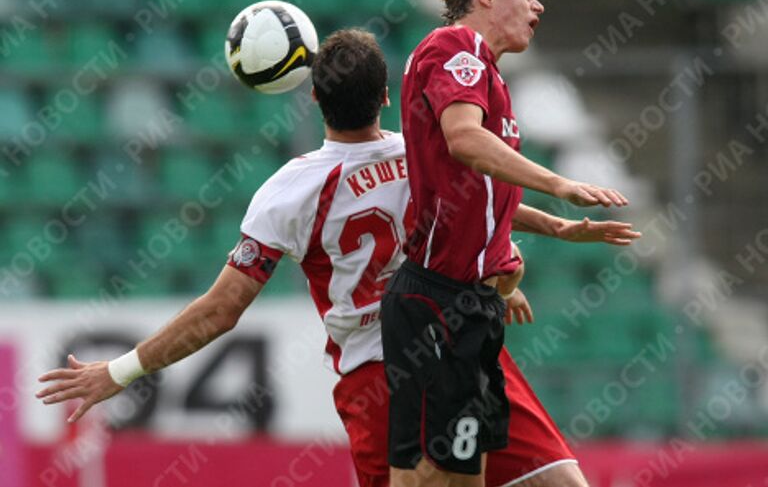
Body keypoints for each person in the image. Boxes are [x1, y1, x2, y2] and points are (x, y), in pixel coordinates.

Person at [36, 29, 640, 487]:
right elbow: (484, 201)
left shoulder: (288, 191)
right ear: (385, 95)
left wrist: (118, 372)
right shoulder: (420, 156)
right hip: (455, 341)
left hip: (378, 378)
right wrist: (557, 229)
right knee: (558, 480)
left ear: (315, 99)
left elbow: (220, 311)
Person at [383, 0, 632, 486]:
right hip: (438, 302)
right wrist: (560, 184)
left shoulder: (487, 76)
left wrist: (559, 226)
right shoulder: (457, 46)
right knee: (432, 477)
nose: (538, 7)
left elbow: (483, 190)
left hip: (468, 306)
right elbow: (466, 141)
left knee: (456, 477)